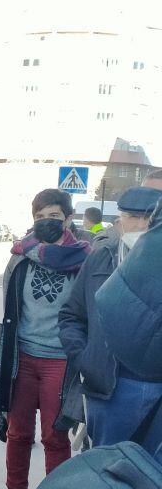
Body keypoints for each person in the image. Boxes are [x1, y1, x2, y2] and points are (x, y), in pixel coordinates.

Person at [0, 188, 91, 489]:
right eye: (41, 217)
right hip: (22, 356)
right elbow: (10, 307)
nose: (47, 223)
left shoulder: (83, 259)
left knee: (54, 435)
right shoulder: (20, 255)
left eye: (55, 217)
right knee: (18, 432)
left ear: (69, 219)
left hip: (59, 360)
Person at [60, 187, 162, 454]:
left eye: (148, 217)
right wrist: (87, 359)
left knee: (152, 478)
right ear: (120, 221)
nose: (141, 224)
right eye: (132, 216)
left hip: (157, 390)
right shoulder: (101, 258)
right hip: (111, 389)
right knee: (105, 470)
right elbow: (71, 316)